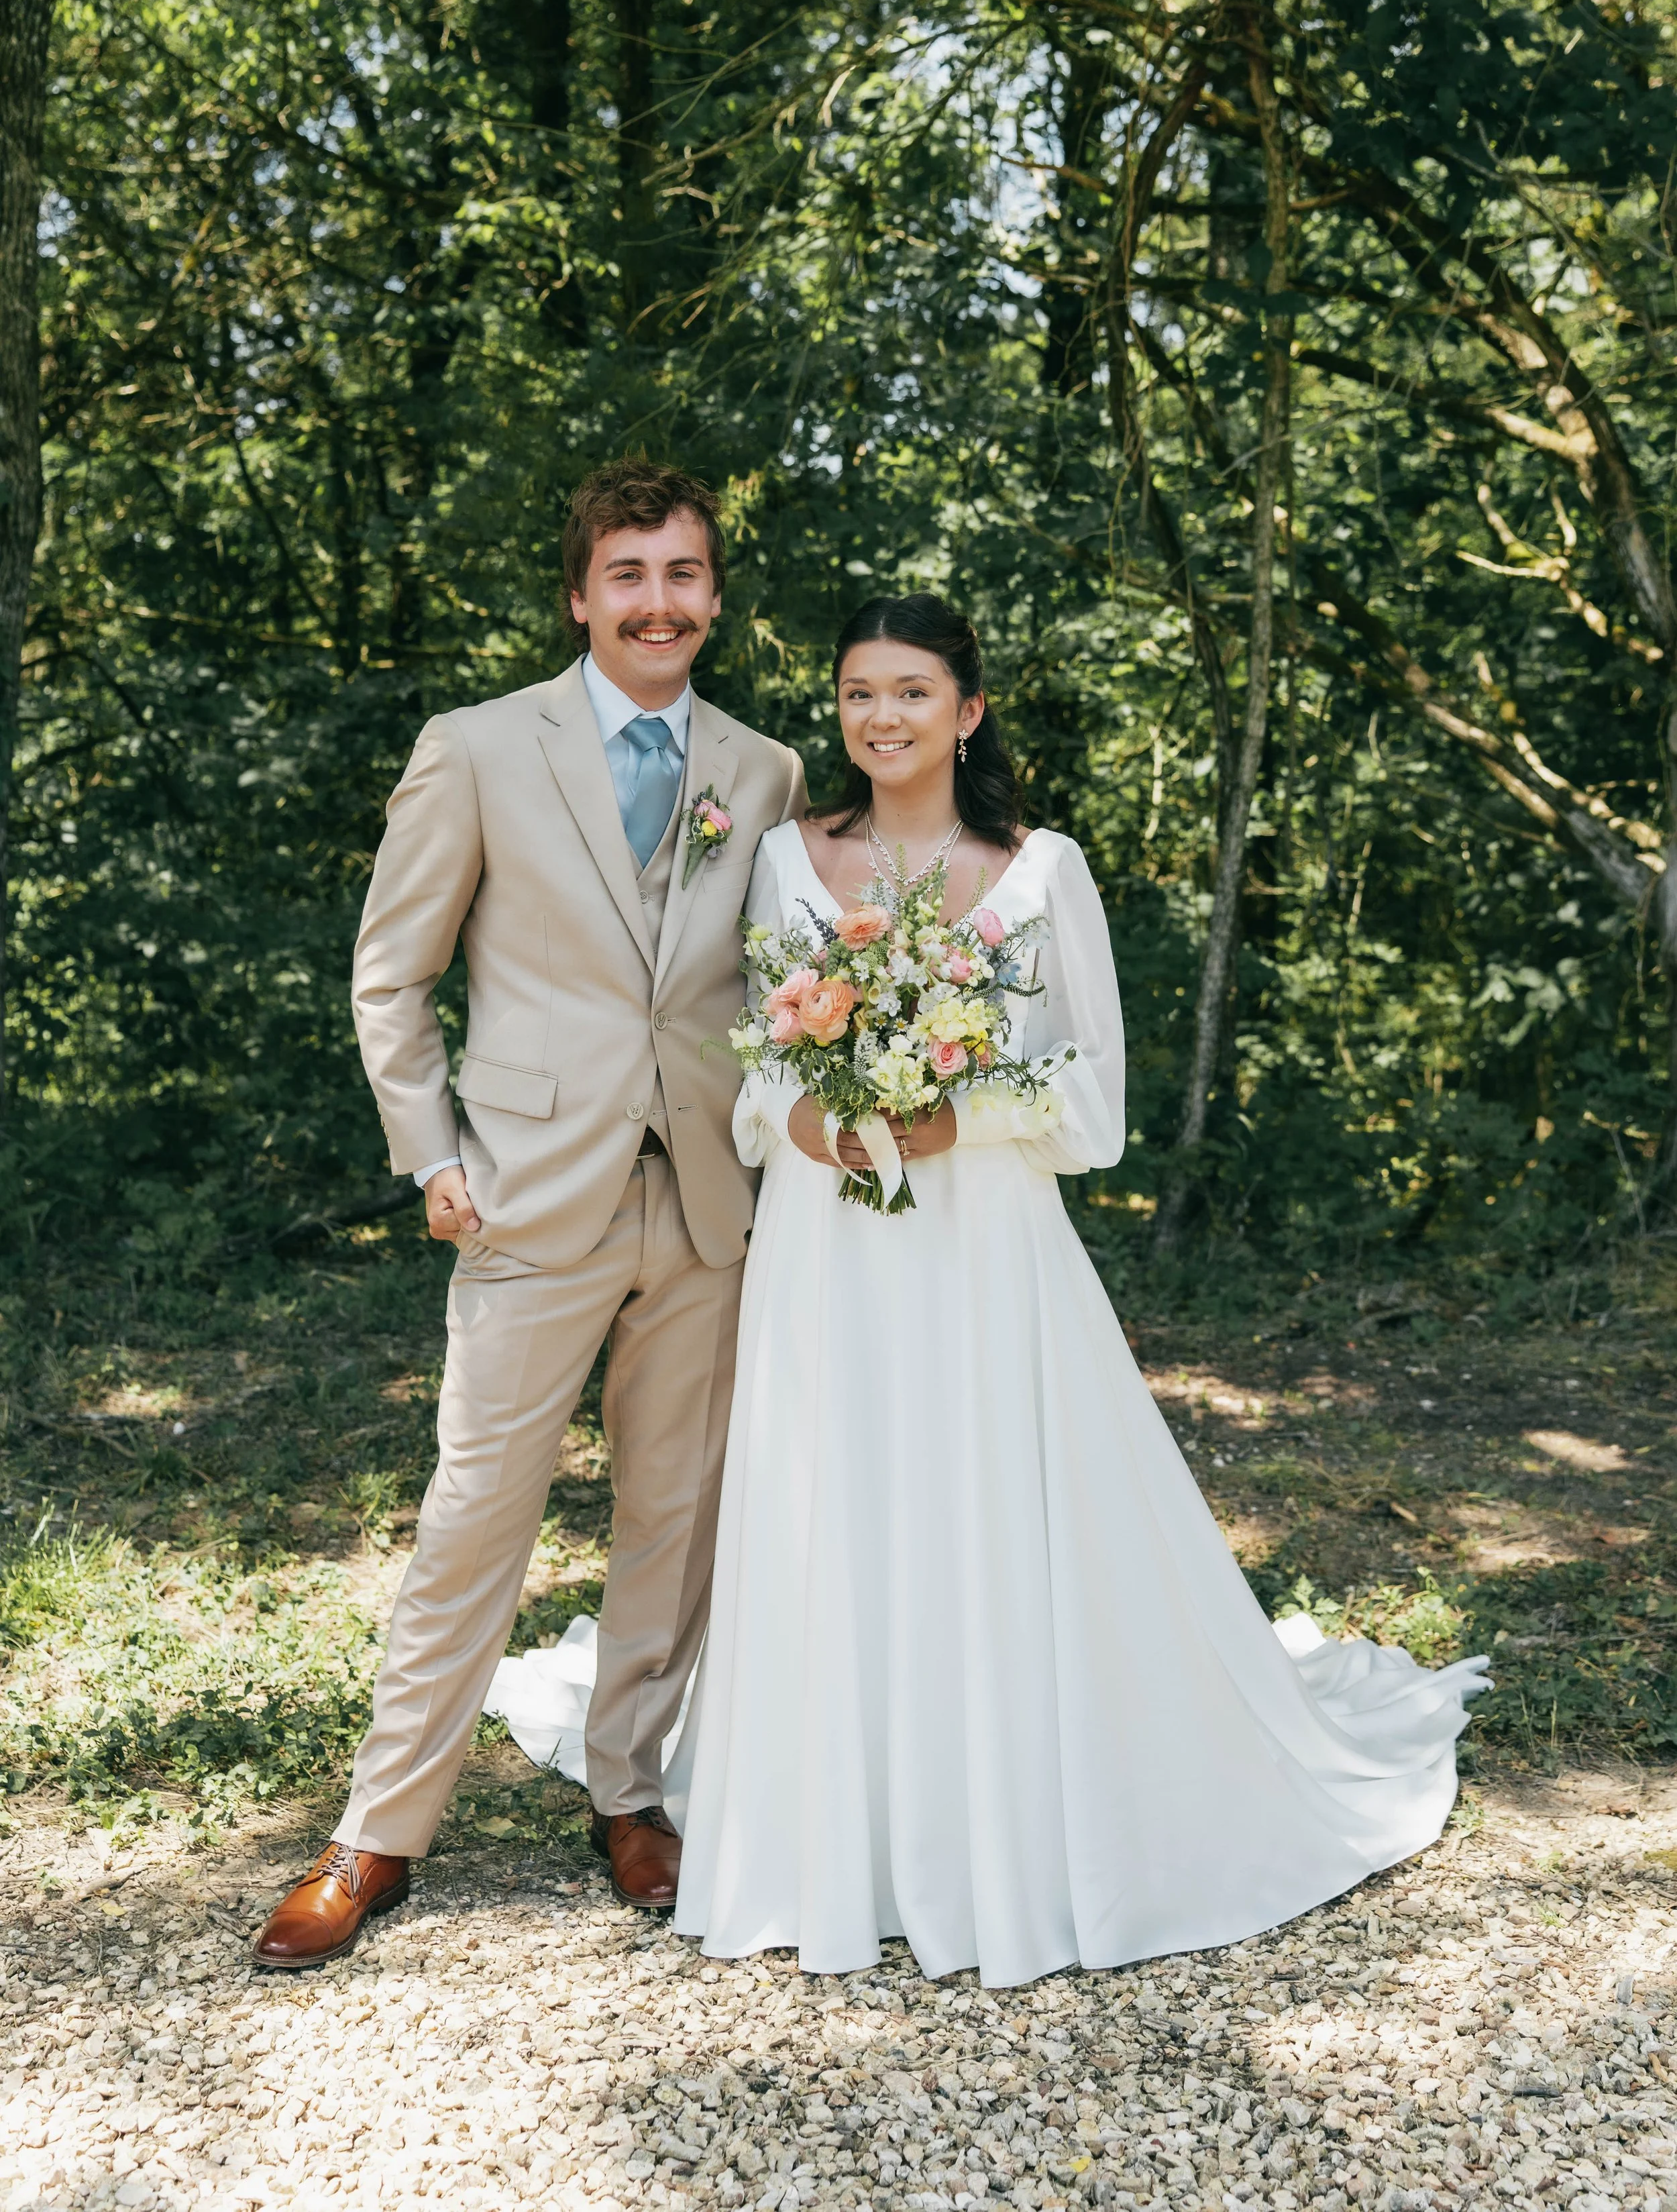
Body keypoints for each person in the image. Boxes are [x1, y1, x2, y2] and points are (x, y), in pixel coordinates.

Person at [665, 590, 1489, 1989]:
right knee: (838, 1497)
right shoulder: (786, 863)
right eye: (861, 691)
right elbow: (757, 1063)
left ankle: (998, 1820)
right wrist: (793, 1120)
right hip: (829, 1244)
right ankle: (833, 1831)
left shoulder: (1042, 869)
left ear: (966, 709)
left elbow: (1091, 1103)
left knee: (977, 1499)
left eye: (912, 691)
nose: (883, 716)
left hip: (982, 1246)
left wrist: (953, 1116)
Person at [251, 459, 806, 1968]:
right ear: (581, 596)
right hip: (521, 1200)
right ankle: (377, 1832)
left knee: (671, 1521)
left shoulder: (758, 773)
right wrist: (431, 1152)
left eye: (682, 574)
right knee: (469, 1518)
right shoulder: (478, 747)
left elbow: (776, 984)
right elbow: (392, 970)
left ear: (711, 594)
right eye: (628, 576)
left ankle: (630, 1791)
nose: (658, 602)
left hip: (704, 1205)